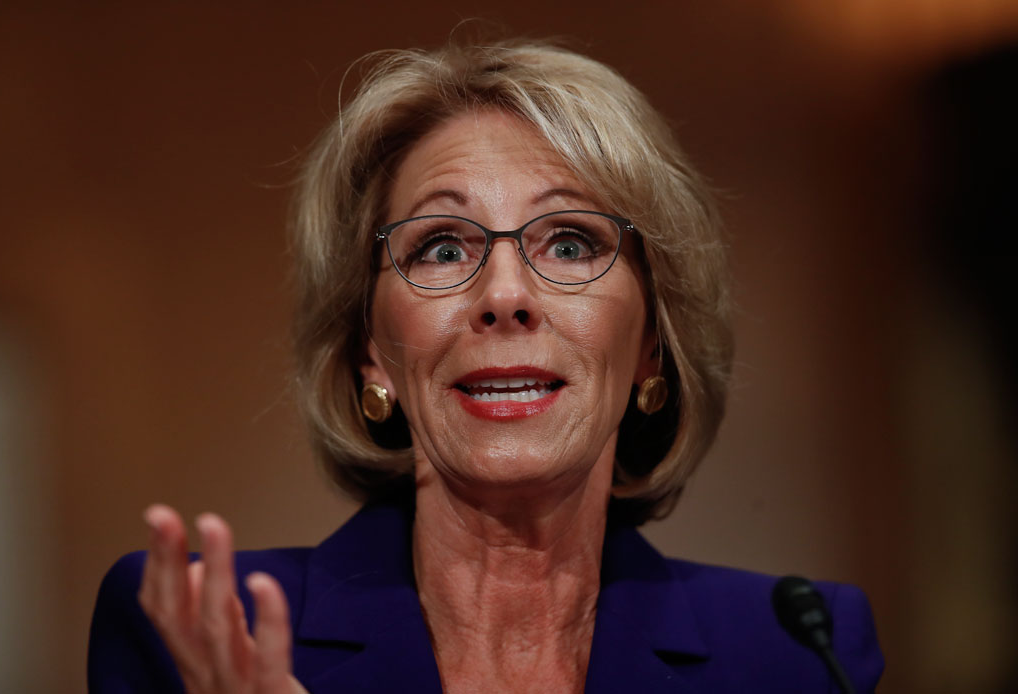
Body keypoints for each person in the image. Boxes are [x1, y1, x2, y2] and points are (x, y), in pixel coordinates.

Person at [88, 38, 884, 693]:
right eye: (441, 247)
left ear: (652, 341)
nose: (505, 296)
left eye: (570, 243)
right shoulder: (196, 633)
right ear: (372, 351)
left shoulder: (796, 653)